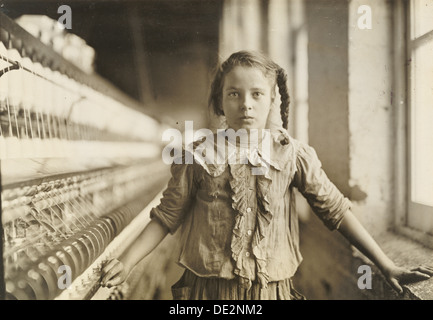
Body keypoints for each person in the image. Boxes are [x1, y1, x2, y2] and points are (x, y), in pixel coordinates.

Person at [100, 50, 432, 300]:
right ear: (220, 100)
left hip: (270, 291)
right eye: (234, 93)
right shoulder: (197, 154)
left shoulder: (293, 154)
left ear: (272, 100)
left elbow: (336, 210)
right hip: (209, 292)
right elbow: (166, 216)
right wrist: (126, 263)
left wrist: (386, 264)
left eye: (257, 94)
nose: (246, 104)